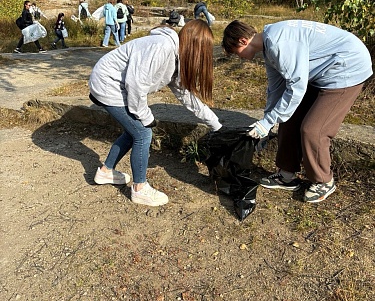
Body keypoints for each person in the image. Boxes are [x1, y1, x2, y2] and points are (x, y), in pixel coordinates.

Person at [222, 19, 373, 203]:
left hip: (347, 68)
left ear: (242, 41)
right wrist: (266, 123)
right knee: (287, 117)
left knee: (314, 130)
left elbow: (296, 88)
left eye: (236, 53)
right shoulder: (269, 46)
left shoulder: (278, 43)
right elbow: (276, 89)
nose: (239, 57)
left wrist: (268, 122)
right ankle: (286, 175)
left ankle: (324, 181)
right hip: (322, 70)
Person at [89, 19, 222, 207]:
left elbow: (188, 97)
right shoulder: (162, 47)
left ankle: (105, 172)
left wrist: (216, 125)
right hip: (108, 84)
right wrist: (146, 116)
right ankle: (139, 189)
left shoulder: (176, 58)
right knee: (143, 132)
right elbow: (136, 84)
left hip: (116, 86)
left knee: (132, 131)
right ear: (195, 46)